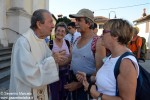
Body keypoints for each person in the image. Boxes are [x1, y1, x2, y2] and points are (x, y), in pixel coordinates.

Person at [9, 9, 66, 100]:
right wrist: (53, 60)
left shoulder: (42, 41)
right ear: (39, 24)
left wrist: (56, 57)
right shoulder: (23, 43)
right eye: (50, 22)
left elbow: (50, 59)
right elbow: (28, 74)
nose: (53, 25)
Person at [76, 19, 139, 100]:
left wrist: (97, 95)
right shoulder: (111, 56)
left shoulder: (126, 62)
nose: (101, 35)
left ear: (116, 35)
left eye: (104, 32)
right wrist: (88, 79)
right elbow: (109, 80)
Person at [64, 8, 106, 100]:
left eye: (79, 20)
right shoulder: (76, 40)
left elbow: (100, 71)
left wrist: (78, 84)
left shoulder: (98, 42)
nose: (76, 23)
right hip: (73, 83)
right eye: (76, 20)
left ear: (89, 23)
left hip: (88, 87)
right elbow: (69, 59)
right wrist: (53, 60)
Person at [49, 22, 72, 100]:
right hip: (53, 75)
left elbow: (72, 56)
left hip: (65, 74)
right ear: (55, 31)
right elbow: (46, 59)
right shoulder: (50, 43)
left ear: (65, 33)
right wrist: (56, 56)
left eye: (63, 31)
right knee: (55, 95)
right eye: (58, 30)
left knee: (65, 95)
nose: (60, 33)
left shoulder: (68, 43)